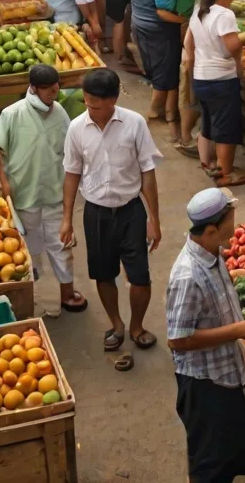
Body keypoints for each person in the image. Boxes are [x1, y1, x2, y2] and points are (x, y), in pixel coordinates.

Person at [61, 68, 162, 368]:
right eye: (87, 102)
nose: (90, 109)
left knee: (140, 275)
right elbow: (71, 174)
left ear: (113, 100)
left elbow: (148, 173)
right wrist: (66, 218)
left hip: (131, 211)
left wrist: (154, 219)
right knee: (103, 274)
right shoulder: (76, 128)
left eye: (96, 104)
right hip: (95, 213)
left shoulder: (135, 123)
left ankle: (137, 327)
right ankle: (116, 324)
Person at [167, 188, 245, 483]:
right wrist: (238, 330)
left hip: (226, 371)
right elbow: (178, 339)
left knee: (228, 452)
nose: (235, 226)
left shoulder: (211, 251)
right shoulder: (187, 276)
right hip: (205, 384)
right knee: (210, 464)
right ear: (210, 230)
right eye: (230, 221)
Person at [0, 64, 88, 314]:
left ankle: (67, 294)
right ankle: (31, 301)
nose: (52, 94)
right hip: (24, 193)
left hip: (55, 192)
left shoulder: (60, 111)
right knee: (28, 249)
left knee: (62, 245)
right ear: (33, 88)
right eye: (47, 90)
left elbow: (71, 148)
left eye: (55, 88)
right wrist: (4, 181)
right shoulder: (12, 114)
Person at [184, 0, 245, 187]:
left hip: (202, 77)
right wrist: (240, 63)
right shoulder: (224, 15)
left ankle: (207, 164)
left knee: (208, 123)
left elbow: (189, 44)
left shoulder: (199, 10)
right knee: (226, 129)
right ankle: (226, 173)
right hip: (221, 79)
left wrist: (192, 68)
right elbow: (233, 47)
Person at [131, 0, 185, 143]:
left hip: (138, 22)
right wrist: (186, 19)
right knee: (165, 71)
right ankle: (155, 112)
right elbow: (162, 11)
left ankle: (170, 112)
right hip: (158, 27)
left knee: (159, 69)